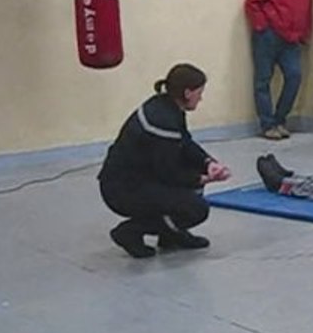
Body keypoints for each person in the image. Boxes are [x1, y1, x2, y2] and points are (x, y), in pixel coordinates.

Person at [98, 64, 231, 259]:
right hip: (122, 189)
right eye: (199, 93)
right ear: (187, 93)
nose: (201, 98)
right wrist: (202, 179)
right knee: (196, 209)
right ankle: (131, 231)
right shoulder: (161, 121)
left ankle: (171, 235)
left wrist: (208, 163)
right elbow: (168, 173)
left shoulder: (167, 106)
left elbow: (184, 142)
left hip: (139, 176)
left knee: (191, 169)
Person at [244, 0, 313, 140]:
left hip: (292, 39)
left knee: (294, 76)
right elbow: (252, 2)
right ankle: (267, 126)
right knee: (262, 81)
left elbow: (307, 9)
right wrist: (261, 26)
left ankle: (280, 120)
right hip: (268, 36)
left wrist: (305, 33)